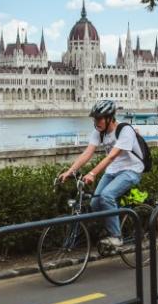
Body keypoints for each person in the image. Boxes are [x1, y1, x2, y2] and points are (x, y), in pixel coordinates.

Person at [58, 99, 145, 249]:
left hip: (131, 170)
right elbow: (87, 153)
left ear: (110, 118)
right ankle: (111, 224)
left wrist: (92, 173)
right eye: (94, 119)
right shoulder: (99, 132)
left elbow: (111, 156)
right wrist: (70, 171)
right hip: (113, 170)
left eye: (99, 119)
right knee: (95, 203)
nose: (96, 122)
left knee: (106, 196)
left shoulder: (125, 130)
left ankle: (116, 238)